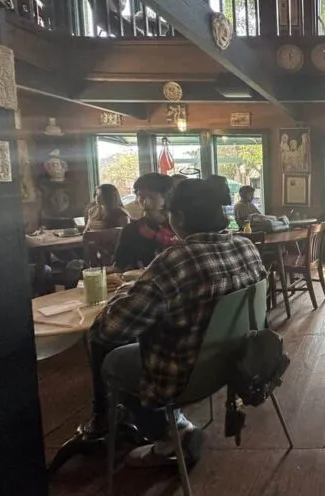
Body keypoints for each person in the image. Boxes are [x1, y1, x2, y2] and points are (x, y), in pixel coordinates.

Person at [83, 179, 267, 467]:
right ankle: (172, 425)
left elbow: (110, 329)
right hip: (231, 366)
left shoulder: (175, 260)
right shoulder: (246, 247)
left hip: (182, 377)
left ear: (178, 217)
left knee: (110, 357)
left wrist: (125, 293)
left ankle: (169, 434)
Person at [111, 173, 174, 273]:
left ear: (166, 198)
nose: (146, 202)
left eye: (152, 197)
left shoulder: (177, 227)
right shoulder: (130, 230)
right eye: (141, 196)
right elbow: (119, 266)